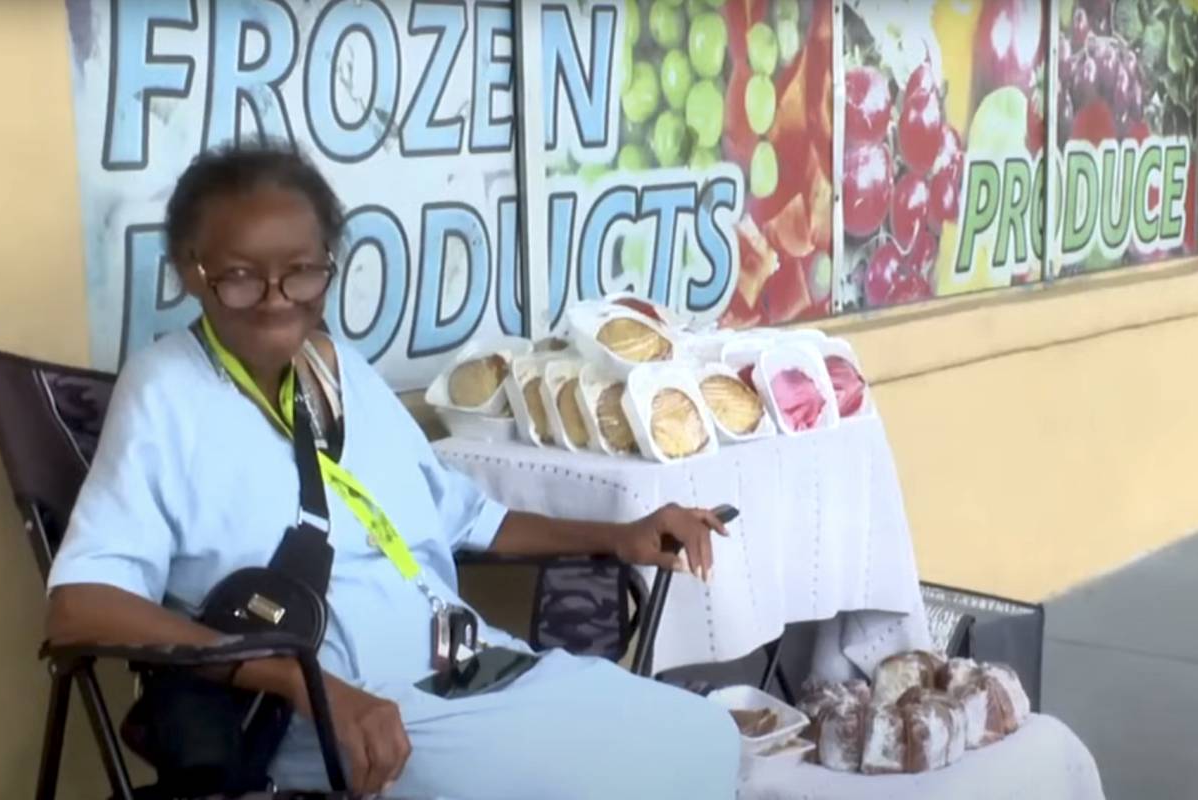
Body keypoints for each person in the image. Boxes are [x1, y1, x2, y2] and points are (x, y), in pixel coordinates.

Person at [44, 141, 741, 798]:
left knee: (703, 737)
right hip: (334, 709)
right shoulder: (164, 392)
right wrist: (292, 678)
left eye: (302, 270)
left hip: (468, 667)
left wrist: (622, 534)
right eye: (241, 276)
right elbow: (79, 607)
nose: (277, 296)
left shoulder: (340, 369)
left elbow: (472, 518)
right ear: (193, 271)